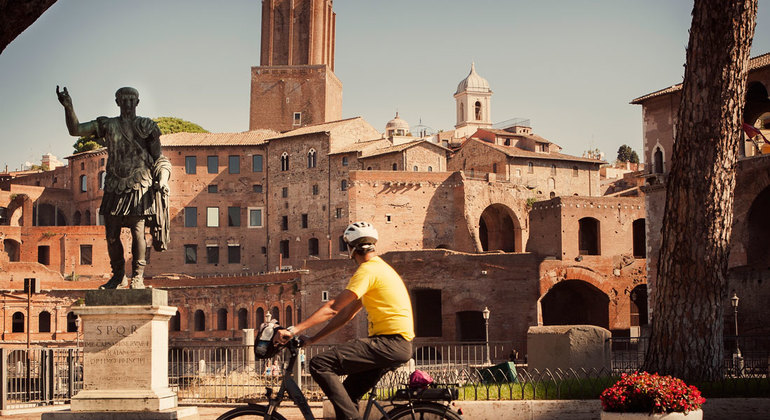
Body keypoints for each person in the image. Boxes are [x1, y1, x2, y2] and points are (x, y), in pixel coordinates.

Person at [275, 222, 414, 420]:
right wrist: (313, 339)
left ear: (350, 249)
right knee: (347, 398)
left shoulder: (368, 271)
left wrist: (294, 330)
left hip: (388, 344)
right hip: (395, 346)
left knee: (319, 364)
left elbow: (333, 308)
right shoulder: (381, 269)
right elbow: (346, 315)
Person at [56, 86, 171, 289]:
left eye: (131, 100)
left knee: (138, 232)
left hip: (139, 185)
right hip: (114, 185)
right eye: (123, 100)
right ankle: (118, 275)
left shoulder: (146, 126)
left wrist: (162, 178)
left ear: (137, 102)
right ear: (117, 102)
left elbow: (158, 158)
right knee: (111, 234)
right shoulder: (107, 125)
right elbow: (75, 130)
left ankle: (137, 276)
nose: (127, 103)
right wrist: (68, 107)